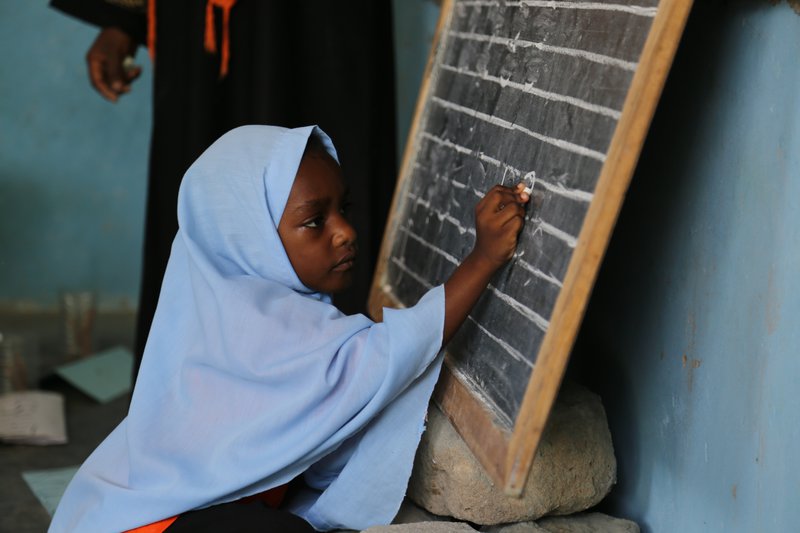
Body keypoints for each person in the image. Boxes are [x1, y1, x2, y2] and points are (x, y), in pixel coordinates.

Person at [48, 125, 530, 532]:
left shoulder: (218, 310)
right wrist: (483, 259)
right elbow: (386, 356)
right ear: (250, 238)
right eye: (315, 221)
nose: (345, 231)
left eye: (344, 208)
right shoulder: (262, 326)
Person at [49, 0, 398, 379]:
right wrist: (122, 19)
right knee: (211, 182)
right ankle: (198, 382)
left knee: (323, 168)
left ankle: (348, 378)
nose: (348, 230)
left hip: (319, 21)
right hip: (205, 29)